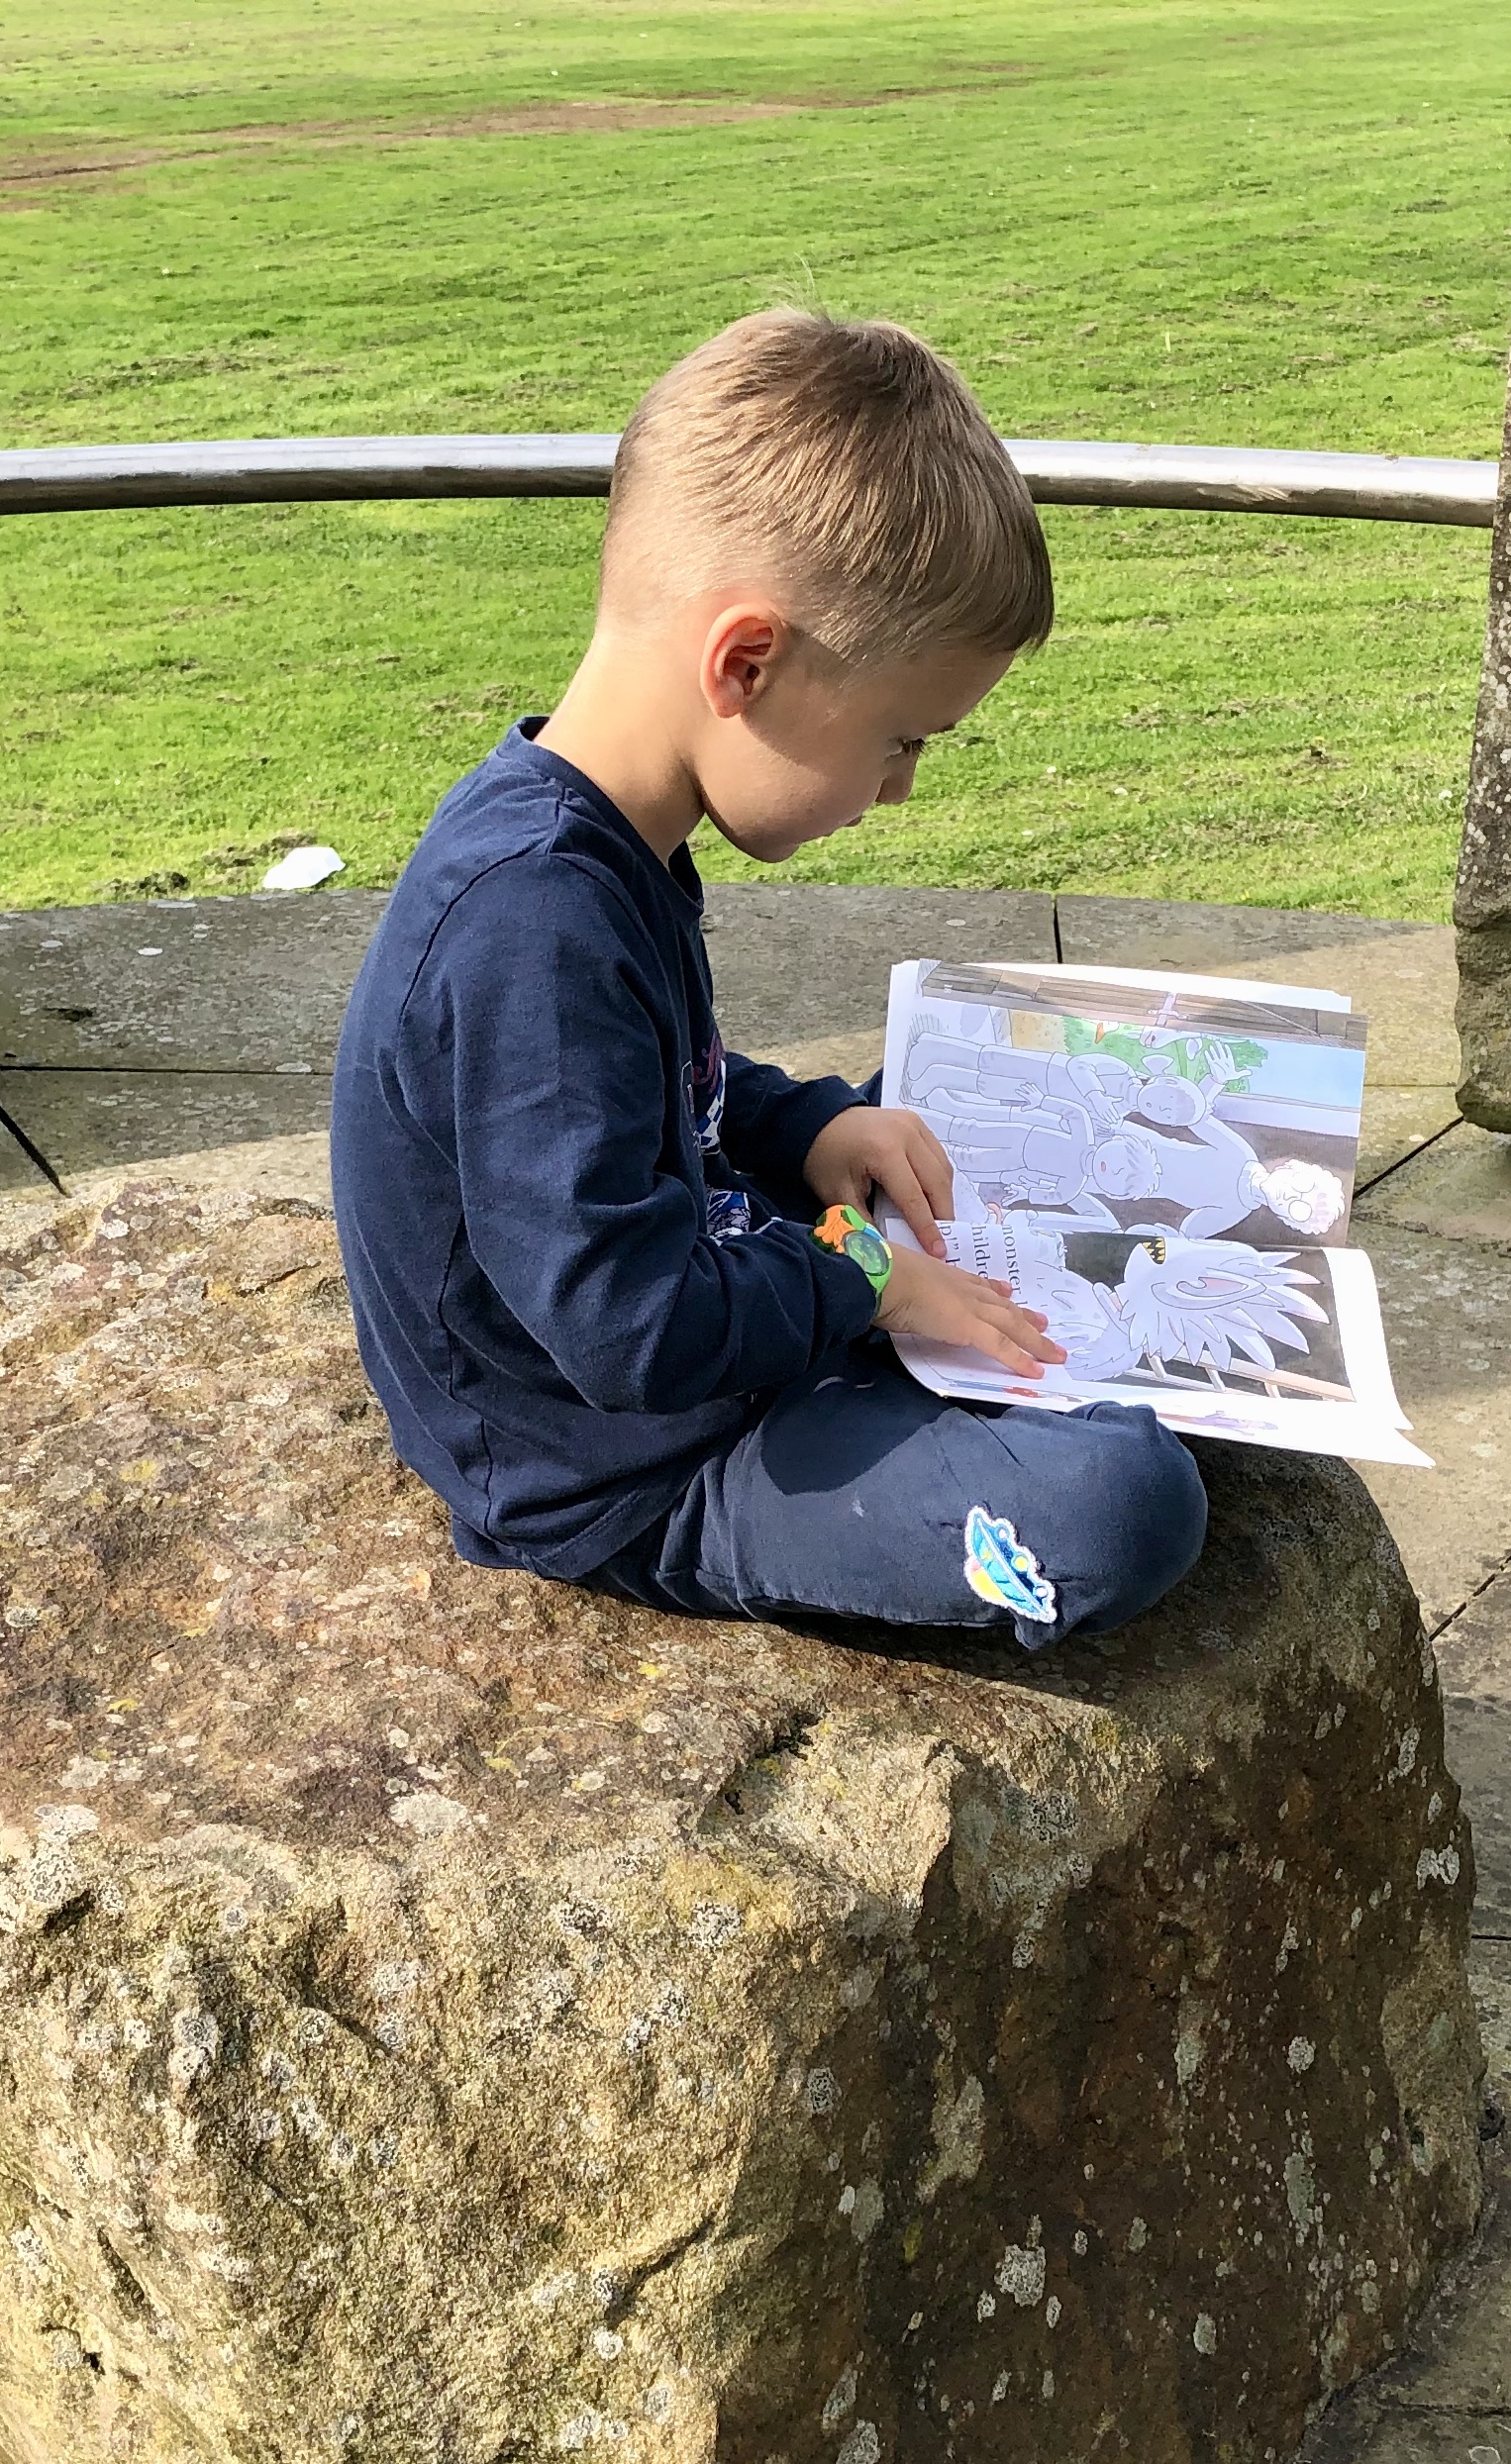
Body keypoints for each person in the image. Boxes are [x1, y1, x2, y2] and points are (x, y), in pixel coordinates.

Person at [330, 310, 1208, 1650]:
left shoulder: (601, 843)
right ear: (746, 663)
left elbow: (641, 1093)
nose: (901, 788)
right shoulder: (534, 918)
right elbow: (629, 1326)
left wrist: (804, 1126)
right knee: (1122, 1504)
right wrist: (866, 1279)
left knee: (961, 1157)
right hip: (623, 1468)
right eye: (902, 740)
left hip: (716, 1317)